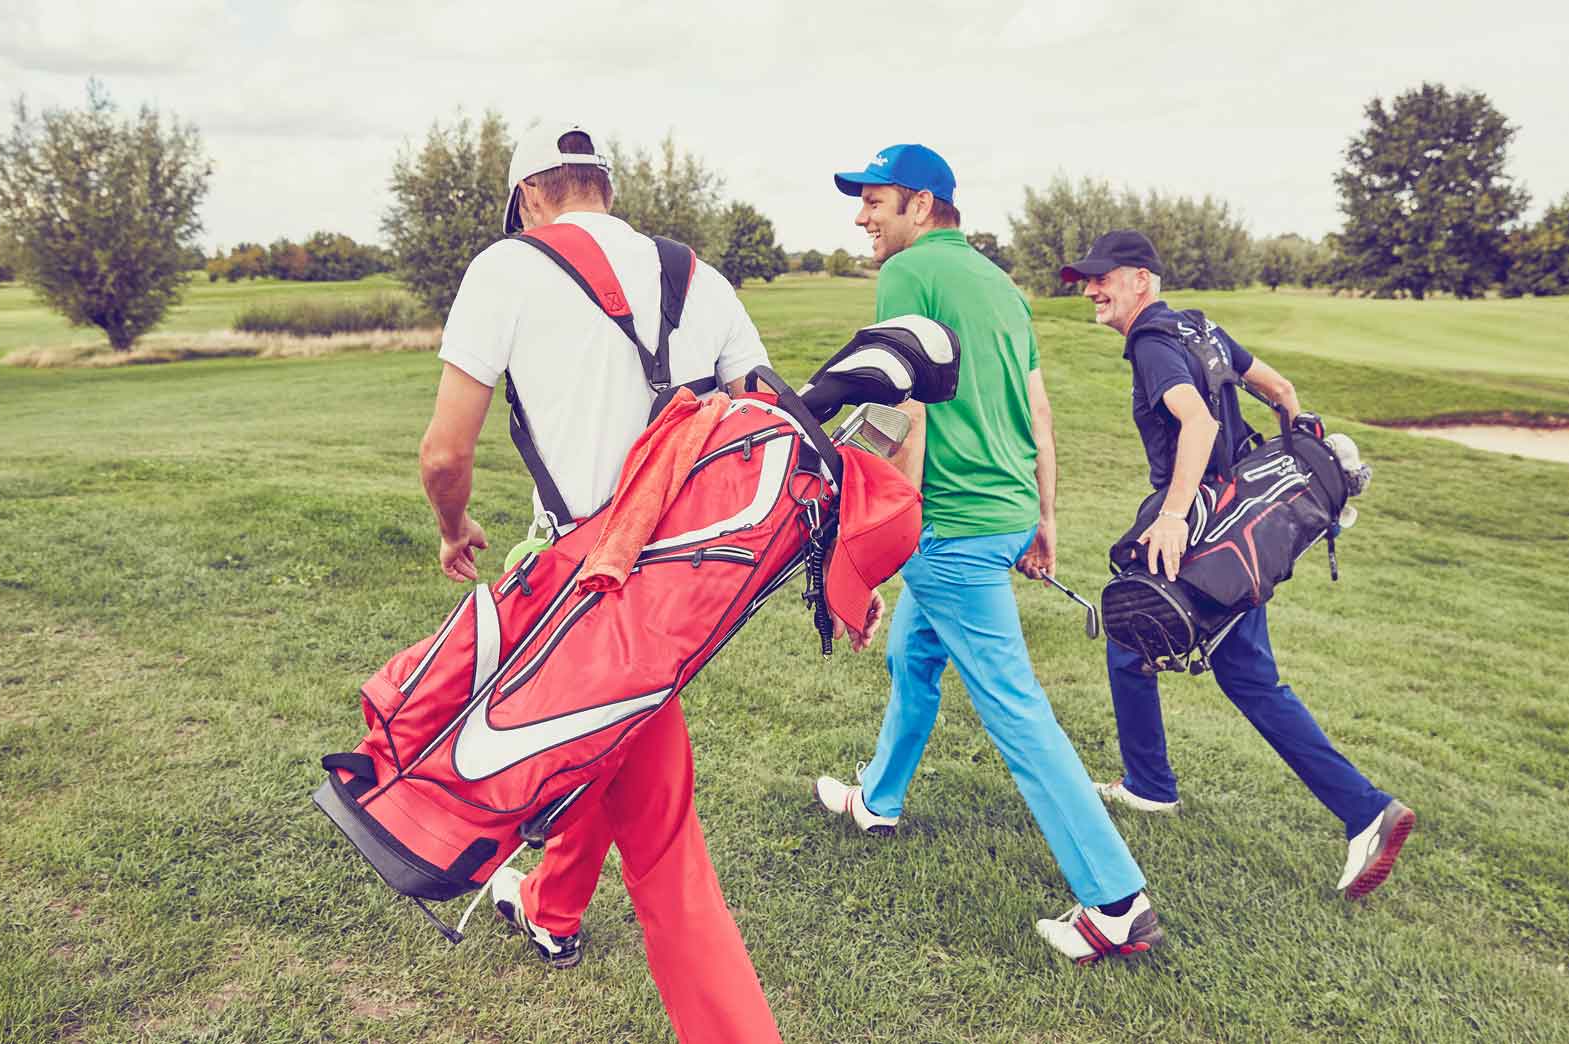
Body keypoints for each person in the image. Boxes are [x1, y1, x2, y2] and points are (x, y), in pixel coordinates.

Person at [416, 120, 854, 1044]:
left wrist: (455, 530)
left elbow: (445, 451)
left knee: (664, 847)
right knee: (607, 745)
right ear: (601, 184)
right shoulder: (699, 275)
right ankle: (551, 908)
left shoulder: (507, 266)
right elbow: (773, 425)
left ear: (531, 194)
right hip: (690, 583)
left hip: (584, 585)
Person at [811, 144, 1162, 965]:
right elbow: (1037, 408)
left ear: (923, 207)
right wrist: (1043, 518)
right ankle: (880, 798)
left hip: (954, 526)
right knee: (913, 657)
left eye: (876, 201)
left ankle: (1116, 902)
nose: (863, 216)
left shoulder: (907, 275)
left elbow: (907, 415)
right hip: (1003, 514)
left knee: (1014, 707)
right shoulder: (999, 283)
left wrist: (874, 547)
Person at [1061, 229, 1415, 899]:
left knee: (1210, 663)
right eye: (1085, 280)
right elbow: (1280, 389)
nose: (1090, 289)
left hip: (1200, 530)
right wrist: (1285, 453)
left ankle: (1365, 809)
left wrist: (1173, 514)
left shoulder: (1153, 342)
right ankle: (1149, 784)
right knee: (1156, 650)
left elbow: (1196, 424)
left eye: (1101, 277)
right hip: (1242, 522)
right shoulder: (1202, 328)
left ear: (1140, 279)